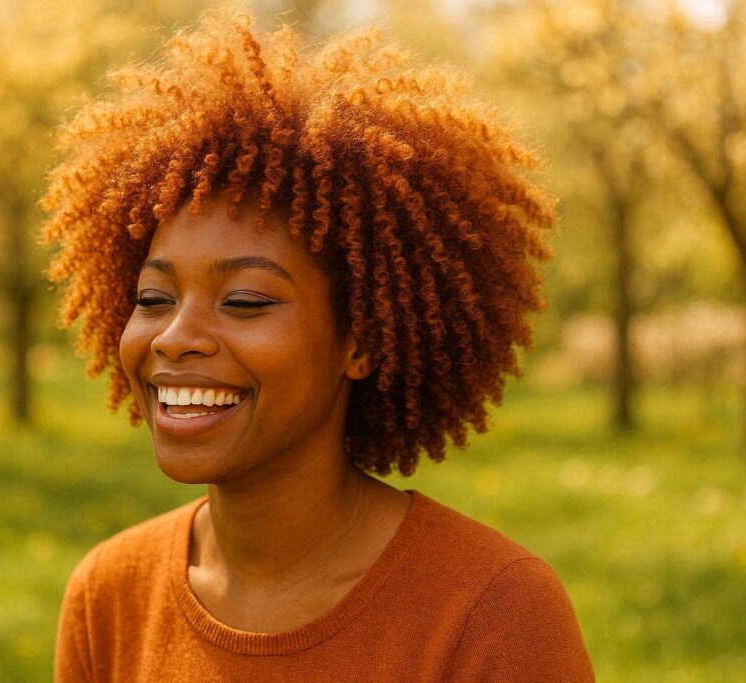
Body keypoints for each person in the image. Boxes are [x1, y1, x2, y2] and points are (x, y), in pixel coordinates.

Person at [42, 6, 595, 681]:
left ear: (360, 340)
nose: (176, 336)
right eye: (153, 299)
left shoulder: (494, 613)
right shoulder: (108, 595)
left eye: (244, 300)